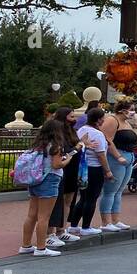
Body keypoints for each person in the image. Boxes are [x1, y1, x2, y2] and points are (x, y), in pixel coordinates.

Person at [18, 117, 75, 257]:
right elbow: (56, 165)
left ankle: (26, 245)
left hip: (35, 180)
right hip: (50, 180)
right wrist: (67, 159)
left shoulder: (37, 145)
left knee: (31, 215)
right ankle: (41, 247)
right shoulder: (55, 146)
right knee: (44, 216)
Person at [98, 100, 137, 231]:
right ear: (123, 110)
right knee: (110, 190)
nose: (133, 112)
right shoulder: (112, 120)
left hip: (128, 156)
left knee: (119, 190)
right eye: (131, 109)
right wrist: (117, 156)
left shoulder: (126, 123)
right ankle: (106, 222)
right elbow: (107, 139)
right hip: (116, 158)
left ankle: (116, 219)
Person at [74, 108, 113, 234]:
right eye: (103, 118)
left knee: (83, 198)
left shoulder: (82, 130)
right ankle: (86, 226)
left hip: (83, 167)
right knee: (91, 198)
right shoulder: (98, 134)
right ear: (98, 120)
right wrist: (107, 171)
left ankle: (74, 224)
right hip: (95, 168)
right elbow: (101, 154)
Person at [46, 106, 81, 244]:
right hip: (62, 168)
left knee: (69, 199)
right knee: (56, 201)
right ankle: (50, 232)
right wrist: (76, 149)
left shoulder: (72, 131)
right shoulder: (57, 133)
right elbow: (65, 153)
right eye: (71, 117)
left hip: (72, 168)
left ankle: (62, 230)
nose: (74, 119)